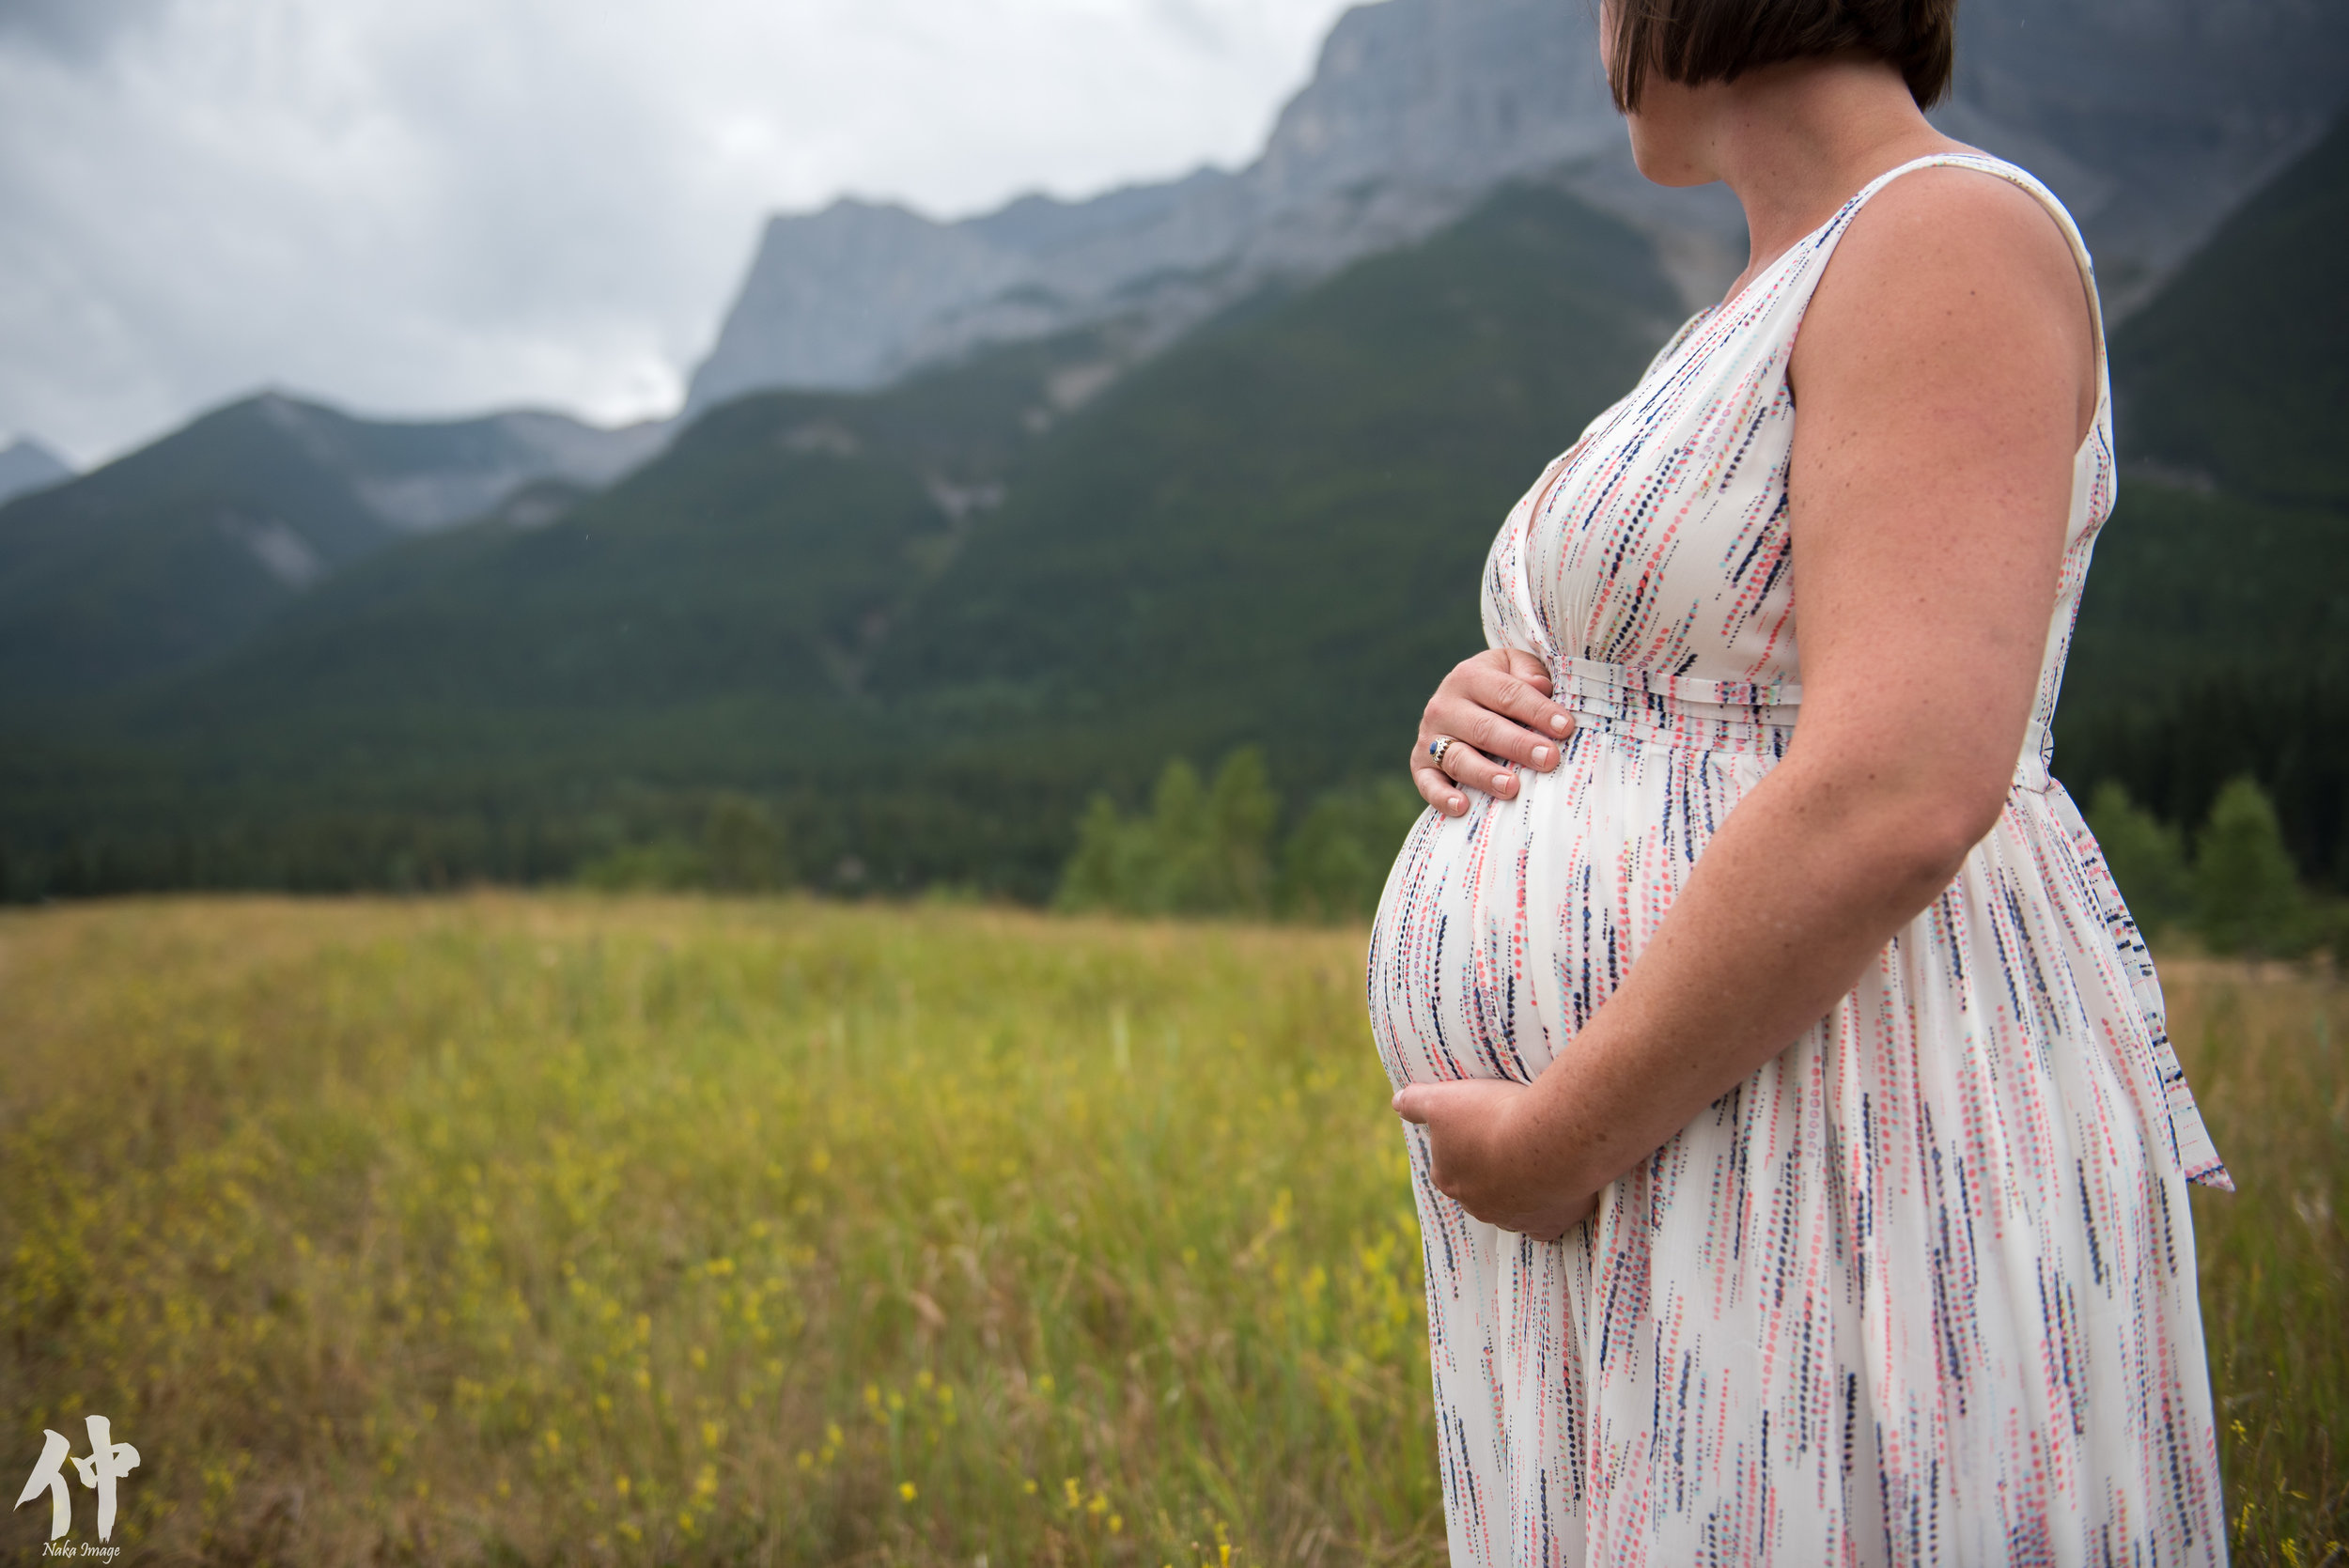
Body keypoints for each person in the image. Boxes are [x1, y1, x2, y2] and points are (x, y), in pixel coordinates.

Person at [1366, 0, 2232, 1560]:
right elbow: (1730, 660)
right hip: (1697, 1133)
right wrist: (1513, 693)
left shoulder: (1945, 233)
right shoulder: (1777, 284)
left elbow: (1904, 780)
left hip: (1841, 1119)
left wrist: (1563, 1135)